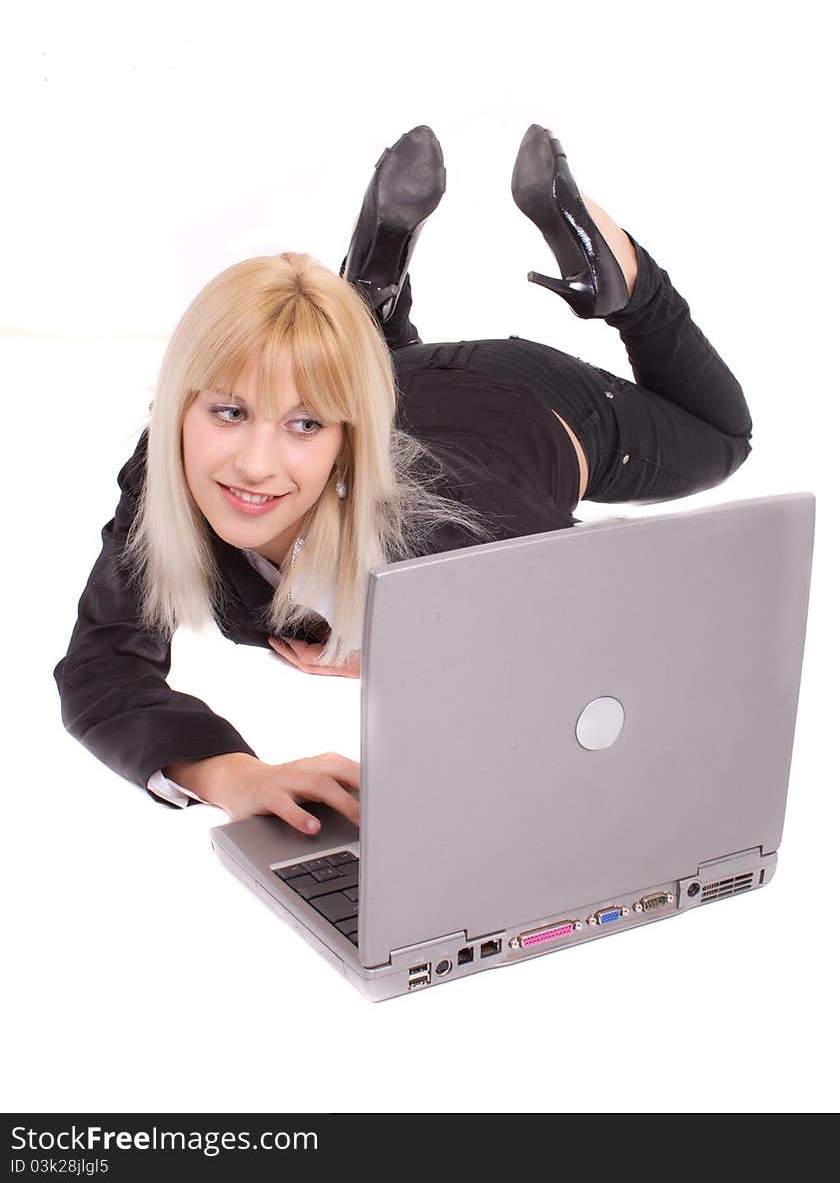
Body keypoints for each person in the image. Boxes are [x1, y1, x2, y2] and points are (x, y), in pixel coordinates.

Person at [54, 124, 753, 838]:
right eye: (229, 412)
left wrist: (412, 650)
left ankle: (625, 285)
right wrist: (235, 775)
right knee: (323, 391)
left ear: (345, 441)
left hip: (530, 400)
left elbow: (581, 653)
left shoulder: (454, 536)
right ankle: (363, 313)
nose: (254, 464)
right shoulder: (169, 469)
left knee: (725, 440)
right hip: (389, 388)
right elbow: (100, 666)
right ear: (177, 409)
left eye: (303, 426)